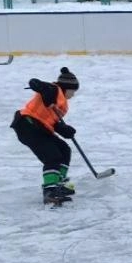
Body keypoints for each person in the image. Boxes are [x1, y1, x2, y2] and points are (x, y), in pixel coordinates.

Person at [10, 67, 80, 206]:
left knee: (64, 150)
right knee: (52, 156)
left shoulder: (62, 103)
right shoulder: (53, 89)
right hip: (28, 125)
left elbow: (53, 122)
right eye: (73, 91)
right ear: (66, 88)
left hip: (41, 128)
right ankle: (50, 191)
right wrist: (42, 88)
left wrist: (65, 130)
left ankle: (59, 183)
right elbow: (35, 83)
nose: (73, 95)